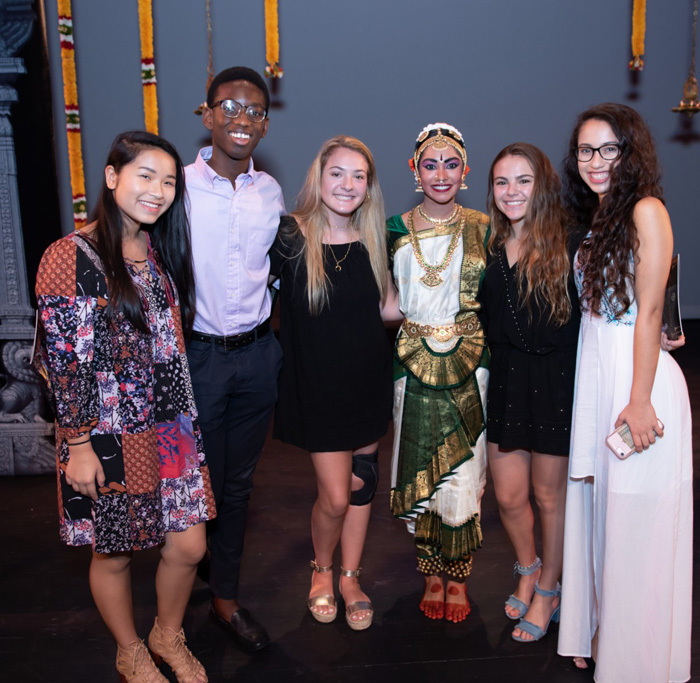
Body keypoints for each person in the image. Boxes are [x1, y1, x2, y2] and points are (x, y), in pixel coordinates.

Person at [35, 130, 214, 683]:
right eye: (145, 176)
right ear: (112, 176)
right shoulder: (70, 256)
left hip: (170, 426)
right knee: (113, 552)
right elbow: (64, 363)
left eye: (169, 181)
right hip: (106, 432)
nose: (158, 191)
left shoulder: (158, 250)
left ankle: (167, 634)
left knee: (189, 545)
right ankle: (130, 650)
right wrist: (79, 445)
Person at [557, 103, 693, 682]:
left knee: (637, 522)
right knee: (601, 514)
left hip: (638, 385)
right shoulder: (601, 216)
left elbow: (650, 310)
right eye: (586, 150)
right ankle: (603, 632)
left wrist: (639, 400)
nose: (595, 160)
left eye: (608, 148)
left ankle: (637, 661)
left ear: (630, 152)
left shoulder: (646, 209)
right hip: (600, 373)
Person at [270, 135, 396, 631]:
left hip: (367, 381)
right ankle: (321, 569)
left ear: (369, 186)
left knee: (363, 486)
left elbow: (390, 309)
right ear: (318, 178)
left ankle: (349, 578)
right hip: (317, 388)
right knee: (337, 496)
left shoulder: (375, 240)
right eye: (337, 173)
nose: (347, 184)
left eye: (358, 176)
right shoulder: (288, 236)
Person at [185, 66, 284, 652]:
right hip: (199, 359)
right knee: (200, 485)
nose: (241, 119)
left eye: (253, 111)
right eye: (229, 107)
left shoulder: (270, 193)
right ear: (207, 114)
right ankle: (187, 576)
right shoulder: (178, 186)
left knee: (239, 485)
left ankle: (224, 599)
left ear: (265, 124)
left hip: (256, 358)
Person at [387, 123, 489, 624]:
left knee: (464, 472)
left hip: (471, 363)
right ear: (416, 170)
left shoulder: (485, 226)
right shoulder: (393, 229)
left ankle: (459, 576)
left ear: (464, 170)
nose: (441, 174)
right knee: (419, 466)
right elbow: (385, 300)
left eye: (451, 164)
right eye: (431, 164)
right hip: (411, 362)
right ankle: (430, 573)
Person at [479, 142, 581, 641]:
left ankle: (549, 589)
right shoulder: (490, 248)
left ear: (542, 185)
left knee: (548, 498)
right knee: (509, 496)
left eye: (524, 180)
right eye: (502, 182)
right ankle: (528, 567)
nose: (512, 191)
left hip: (555, 382)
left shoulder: (571, 243)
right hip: (507, 380)